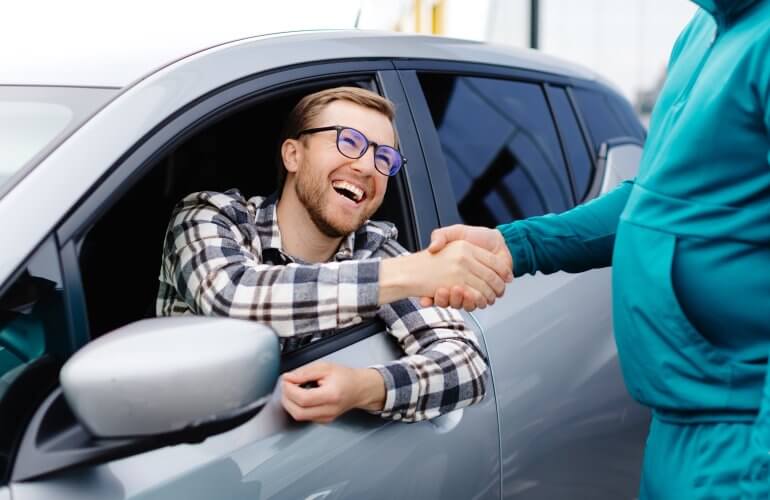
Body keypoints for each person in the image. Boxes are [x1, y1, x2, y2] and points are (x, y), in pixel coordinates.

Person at [426, 0, 770, 497]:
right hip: (676, 427)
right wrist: (513, 244)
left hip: (742, 440)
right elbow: (652, 199)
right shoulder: (699, 30)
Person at [156, 86, 512, 424]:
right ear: (293, 154)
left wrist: (366, 388)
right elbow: (231, 297)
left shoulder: (374, 250)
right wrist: (409, 273)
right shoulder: (209, 216)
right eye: (349, 141)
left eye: (383, 157)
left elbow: (469, 365)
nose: (368, 167)